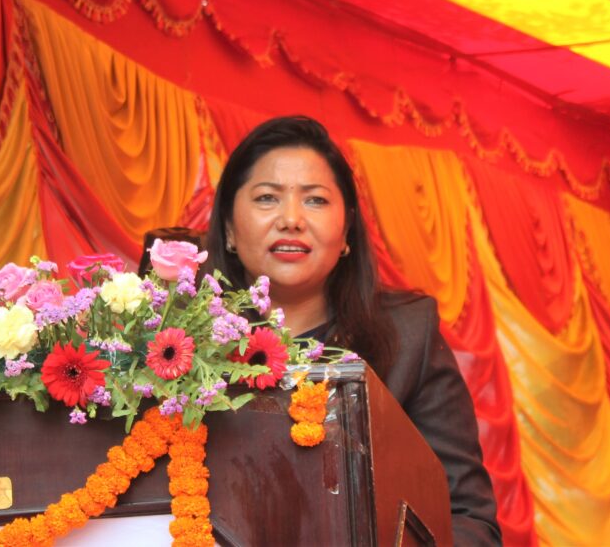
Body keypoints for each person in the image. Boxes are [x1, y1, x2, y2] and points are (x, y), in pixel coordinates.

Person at [206, 116, 501, 545]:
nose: (291, 219)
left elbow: (469, 519)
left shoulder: (408, 339)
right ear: (230, 228)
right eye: (267, 198)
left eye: (315, 200)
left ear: (345, 231)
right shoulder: (181, 347)